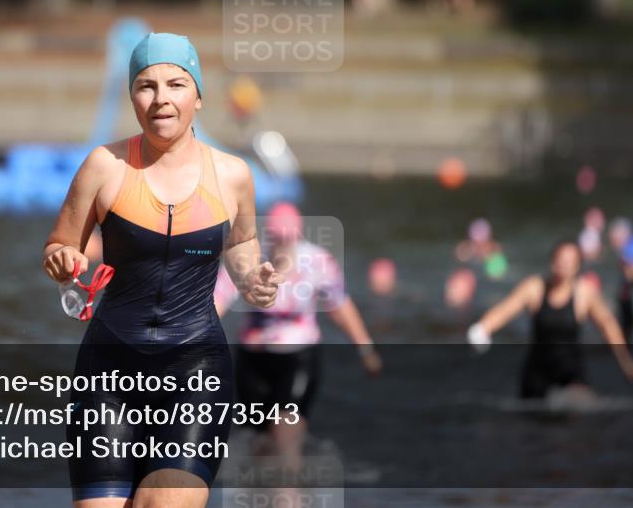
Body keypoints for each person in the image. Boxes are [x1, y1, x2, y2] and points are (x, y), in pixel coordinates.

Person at [42, 32, 285, 508]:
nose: (160, 99)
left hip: (196, 373)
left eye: (175, 84)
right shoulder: (103, 167)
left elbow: (242, 243)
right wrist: (61, 261)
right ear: (132, 95)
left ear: (198, 96)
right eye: (146, 86)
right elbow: (61, 244)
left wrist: (253, 278)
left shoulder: (232, 175)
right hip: (107, 375)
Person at [214, 202, 381, 469]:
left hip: (299, 358)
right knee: (260, 445)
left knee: (285, 437)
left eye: (288, 240)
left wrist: (365, 349)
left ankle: (289, 494)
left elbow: (339, 307)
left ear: (298, 236)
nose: (282, 246)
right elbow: (217, 302)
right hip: (253, 360)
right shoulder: (249, 261)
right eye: (277, 240)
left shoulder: (318, 261)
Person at [467, 240, 633, 399]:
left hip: (571, 372)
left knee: (578, 409)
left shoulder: (584, 293)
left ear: (577, 266)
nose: (564, 265)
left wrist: (625, 361)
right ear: (552, 261)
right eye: (560, 259)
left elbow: (607, 324)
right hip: (537, 372)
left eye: (569, 261)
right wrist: (483, 328)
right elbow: (505, 309)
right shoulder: (535, 287)